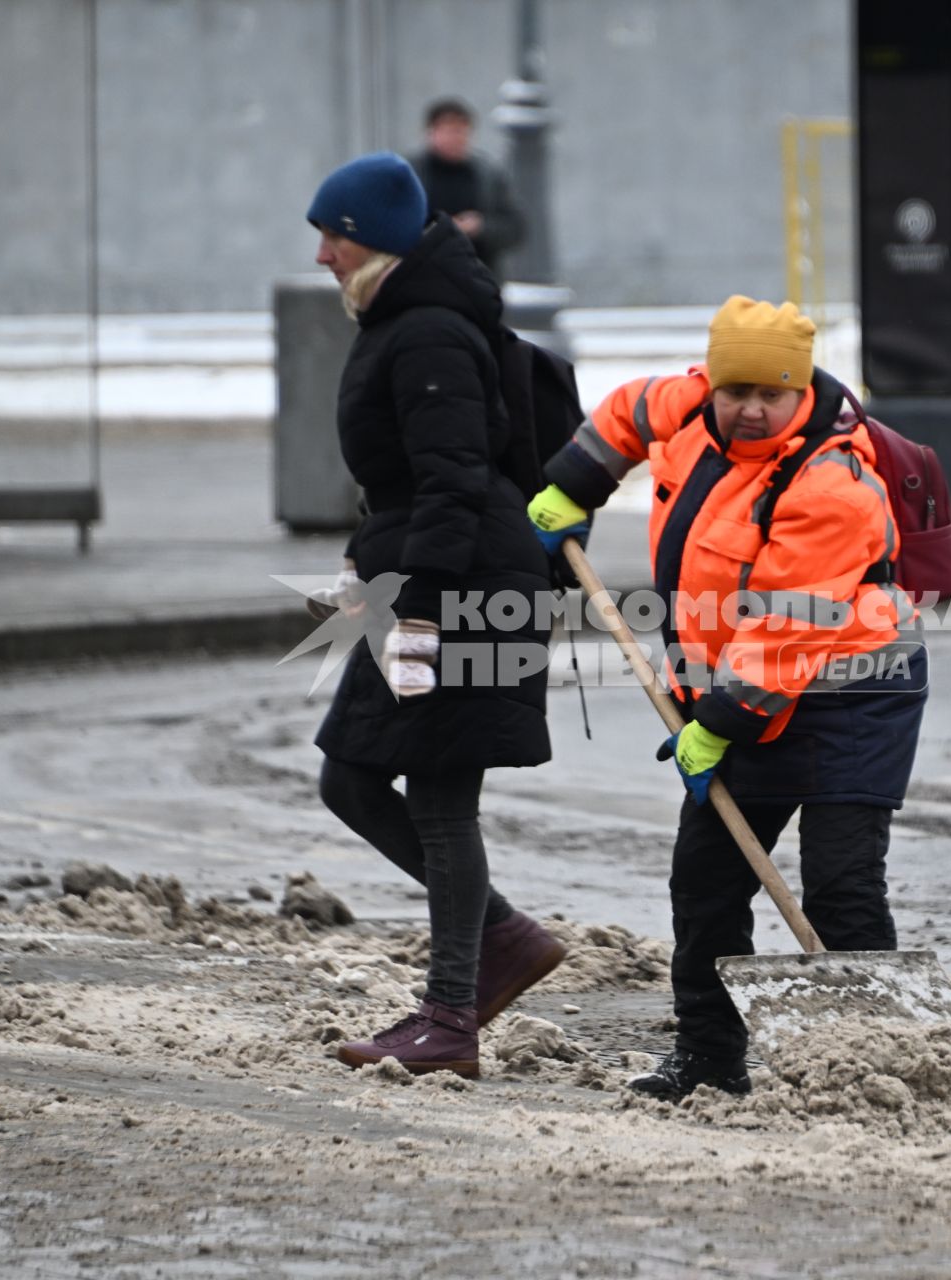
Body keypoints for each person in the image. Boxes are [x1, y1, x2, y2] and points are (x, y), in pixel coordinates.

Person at [526, 297, 928, 1101]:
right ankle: (709, 1058)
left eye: (767, 396)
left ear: (800, 389)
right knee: (706, 878)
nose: (746, 409)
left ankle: (877, 1065)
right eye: (731, 390)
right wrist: (576, 484)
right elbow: (625, 414)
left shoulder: (831, 485)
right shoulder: (688, 407)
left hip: (854, 687)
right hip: (743, 682)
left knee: (841, 881)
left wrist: (716, 725)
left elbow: (787, 627)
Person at [303, 151, 565, 1079]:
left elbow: (456, 482)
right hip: (428, 576)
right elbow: (409, 482)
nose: (323, 254)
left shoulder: (426, 333)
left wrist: (424, 616)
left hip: (460, 590)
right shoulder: (402, 320)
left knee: (441, 798)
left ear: (368, 235)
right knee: (353, 777)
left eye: (332, 234)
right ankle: (500, 941)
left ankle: (450, 1017)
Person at [409, 98, 525, 277]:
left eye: (461, 131)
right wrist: (435, 228)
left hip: (477, 277)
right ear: (430, 132)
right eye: (448, 131)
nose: (455, 138)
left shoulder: (488, 176)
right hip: (420, 275)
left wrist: (481, 227)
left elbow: (515, 228)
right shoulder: (412, 174)